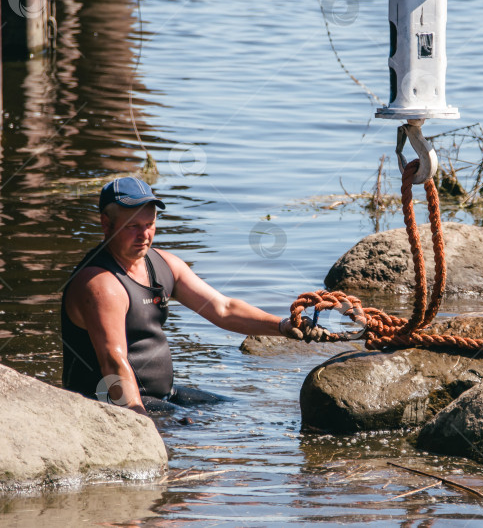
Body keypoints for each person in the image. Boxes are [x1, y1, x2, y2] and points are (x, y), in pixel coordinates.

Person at [61, 177, 325, 415]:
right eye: (132, 226)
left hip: (163, 394)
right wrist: (138, 424)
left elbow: (223, 308)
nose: (144, 235)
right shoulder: (100, 285)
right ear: (106, 224)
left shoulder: (162, 264)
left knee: (238, 412)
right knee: (205, 427)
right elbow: (113, 362)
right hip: (111, 402)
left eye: (150, 224)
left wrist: (283, 326)